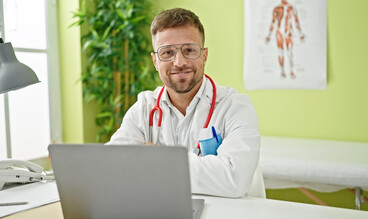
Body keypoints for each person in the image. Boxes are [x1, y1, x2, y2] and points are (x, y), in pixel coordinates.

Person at [107, 8, 260, 198]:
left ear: (204, 55)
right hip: (162, 216)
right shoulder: (143, 108)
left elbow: (234, 180)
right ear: (155, 61)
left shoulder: (235, 107)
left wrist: (156, 160)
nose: (179, 62)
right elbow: (114, 166)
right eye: (167, 52)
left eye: (189, 50)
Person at [266, 0, 305, 78]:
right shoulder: (277, 8)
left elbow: (296, 21)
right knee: (281, 52)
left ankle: (291, 71)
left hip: (288, 32)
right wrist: (269, 35)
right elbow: (273, 22)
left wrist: (300, 33)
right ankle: (282, 71)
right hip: (280, 32)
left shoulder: (292, 8)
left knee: (289, 52)